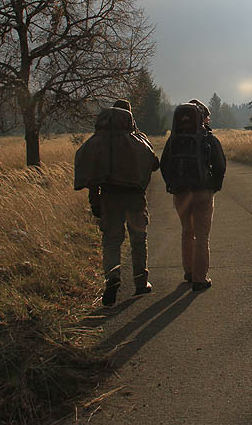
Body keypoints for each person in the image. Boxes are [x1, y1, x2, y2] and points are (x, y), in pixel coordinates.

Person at [73, 99, 160, 307]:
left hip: (109, 197)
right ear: (128, 117)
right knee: (138, 239)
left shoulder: (97, 142)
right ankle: (141, 281)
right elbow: (154, 163)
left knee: (111, 241)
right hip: (134, 197)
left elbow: (93, 179)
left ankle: (112, 278)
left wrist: (95, 203)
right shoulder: (137, 140)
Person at [160, 98, 226, 292]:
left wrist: (172, 184)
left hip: (180, 192)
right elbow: (220, 165)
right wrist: (214, 186)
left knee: (186, 232)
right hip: (203, 192)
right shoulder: (208, 139)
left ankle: (189, 273)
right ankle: (199, 279)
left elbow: (164, 165)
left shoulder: (173, 140)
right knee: (202, 236)